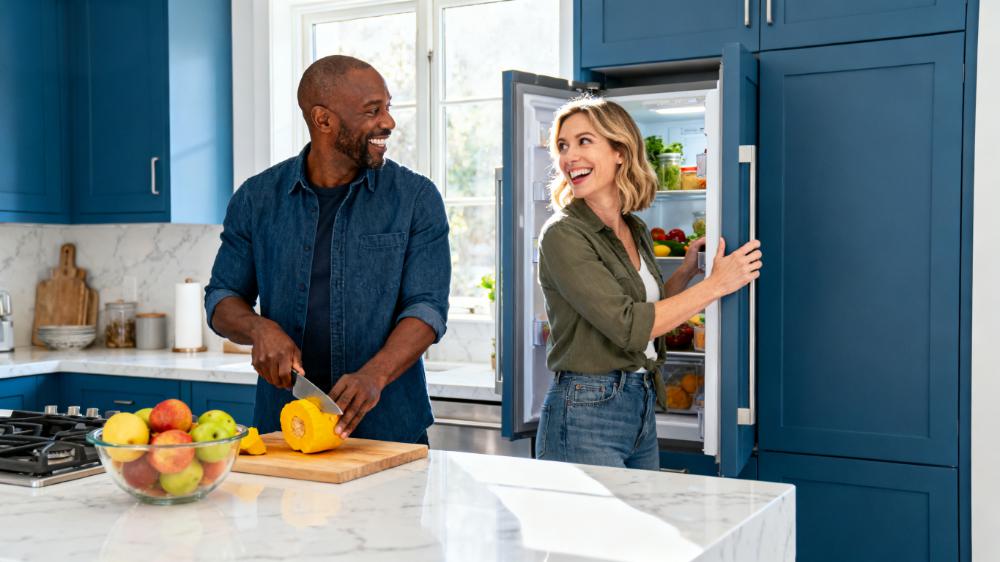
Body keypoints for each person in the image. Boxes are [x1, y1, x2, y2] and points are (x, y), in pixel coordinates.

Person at [204, 55, 450, 444]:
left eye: (388, 106)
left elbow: (428, 307)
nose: (388, 121)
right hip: (284, 430)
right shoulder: (257, 199)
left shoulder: (416, 198)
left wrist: (376, 374)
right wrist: (259, 328)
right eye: (373, 110)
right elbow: (221, 299)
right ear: (323, 120)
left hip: (389, 431)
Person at [535, 96, 762, 469]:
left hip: (639, 405)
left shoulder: (633, 227)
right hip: (585, 409)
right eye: (562, 146)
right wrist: (717, 284)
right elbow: (629, 326)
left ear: (620, 151)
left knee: (637, 529)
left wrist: (688, 271)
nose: (568, 156)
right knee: (594, 530)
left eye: (584, 142)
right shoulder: (563, 234)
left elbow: (647, 307)